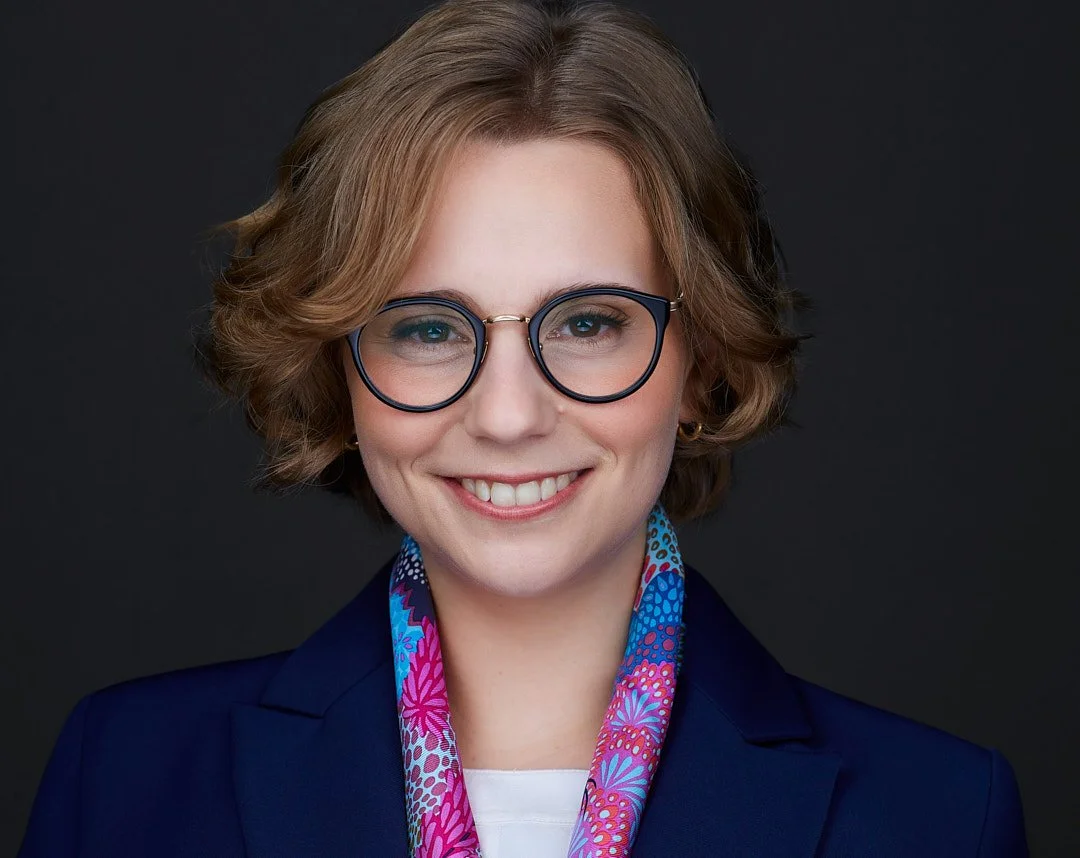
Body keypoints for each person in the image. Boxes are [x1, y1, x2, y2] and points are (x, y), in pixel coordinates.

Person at [19, 1, 1029, 855]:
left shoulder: (938, 815)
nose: (507, 415)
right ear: (340, 368)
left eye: (589, 323)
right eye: (425, 326)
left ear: (702, 360)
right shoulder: (126, 782)